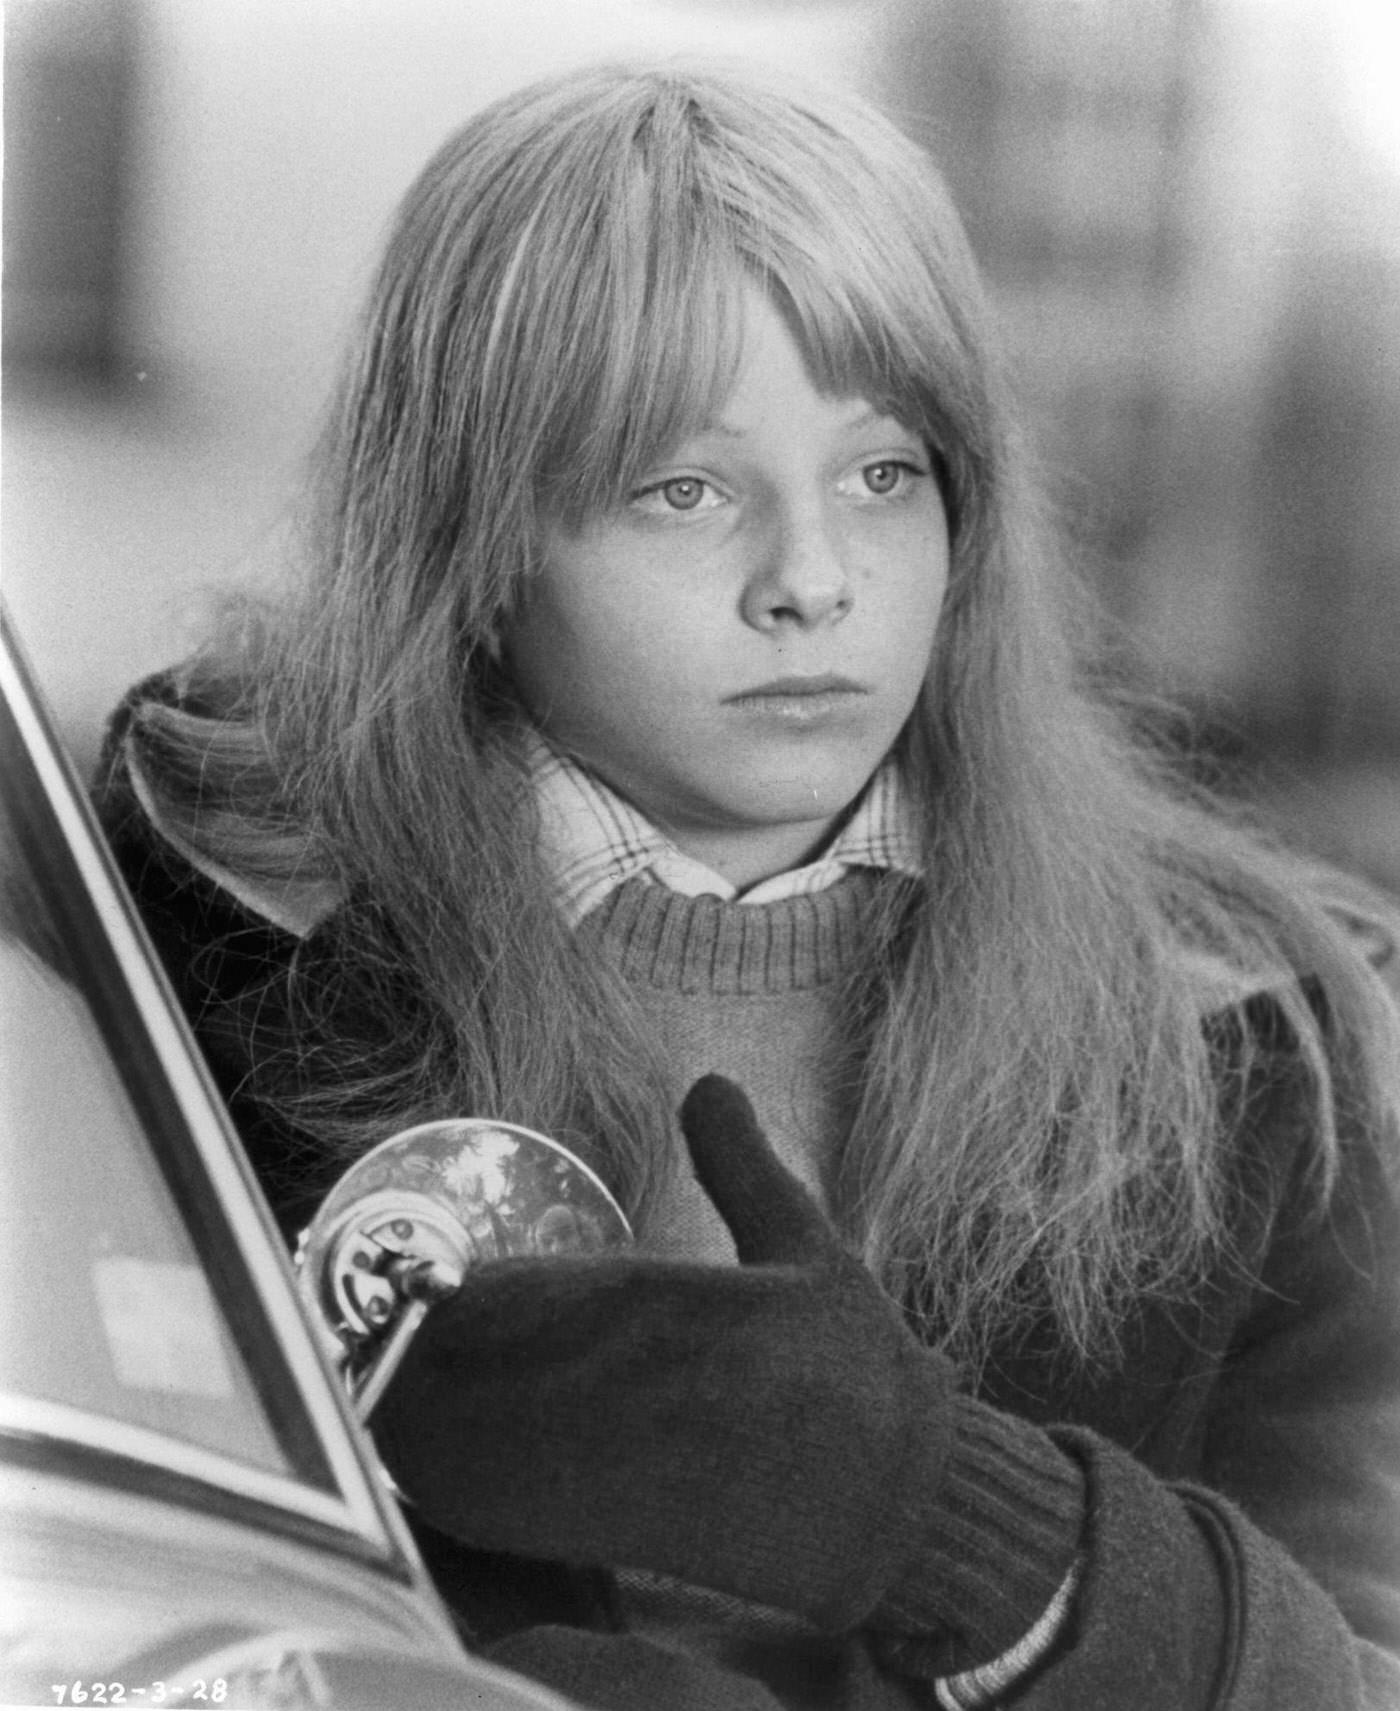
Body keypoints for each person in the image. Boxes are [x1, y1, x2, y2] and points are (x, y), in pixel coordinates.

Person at [95, 59, 1400, 1711]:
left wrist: (944, 1524)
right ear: (473, 556)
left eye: (883, 474)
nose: (811, 581)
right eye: (684, 488)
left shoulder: (1269, 1033)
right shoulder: (187, 934)